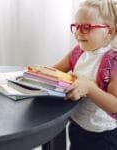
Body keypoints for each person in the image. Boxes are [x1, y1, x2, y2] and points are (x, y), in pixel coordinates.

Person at [53, 0, 117, 149]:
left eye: (86, 27)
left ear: (110, 31)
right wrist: (37, 73)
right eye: (76, 26)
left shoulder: (113, 62)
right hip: (77, 125)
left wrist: (89, 88)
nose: (78, 32)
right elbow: (54, 72)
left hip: (103, 136)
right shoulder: (78, 52)